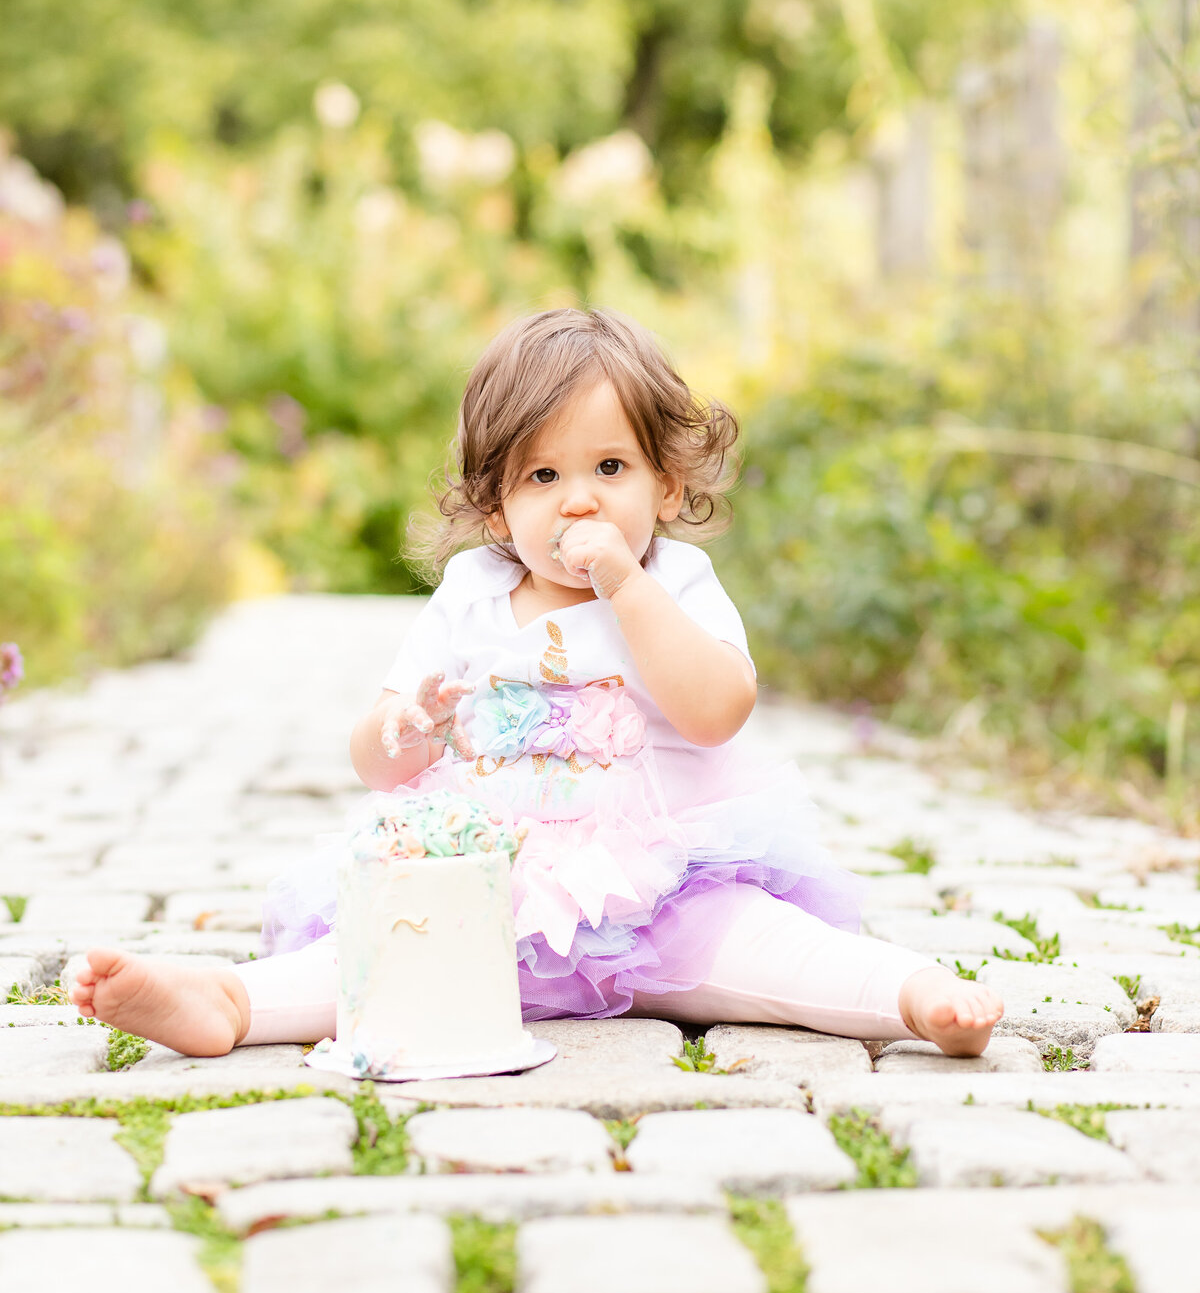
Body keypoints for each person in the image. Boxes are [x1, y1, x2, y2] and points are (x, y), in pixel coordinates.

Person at [72, 307, 1002, 1057]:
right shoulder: (474, 594)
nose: (579, 499)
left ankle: (916, 997)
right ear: (495, 506)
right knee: (373, 962)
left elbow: (718, 712)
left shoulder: (672, 583)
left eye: (610, 467)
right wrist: (409, 725)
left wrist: (627, 585)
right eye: (543, 476)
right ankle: (224, 1000)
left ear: (667, 488)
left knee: (779, 956)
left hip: (663, 891)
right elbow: (376, 760)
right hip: (488, 894)